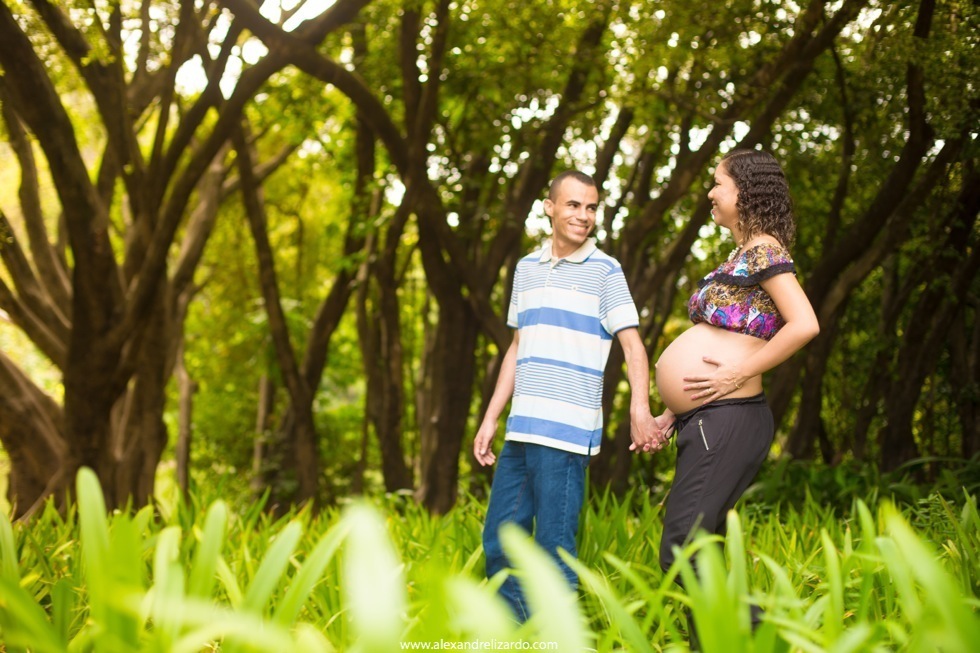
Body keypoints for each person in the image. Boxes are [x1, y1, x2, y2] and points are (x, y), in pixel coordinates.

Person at [474, 170, 660, 622]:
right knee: (500, 543)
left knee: (554, 552)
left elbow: (633, 345)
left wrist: (641, 408)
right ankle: (518, 634)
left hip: (567, 434)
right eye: (574, 205)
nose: (584, 215)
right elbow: (517, 348)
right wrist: (490, 418)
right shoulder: (525, 269)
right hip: (521, 429)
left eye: (592, 207)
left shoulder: (605, 270)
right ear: (550, 207)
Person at [649, 149, 819, 642]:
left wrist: (735, 374)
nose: (710, 193)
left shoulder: (765, 249)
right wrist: (667, 412)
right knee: (699, 549)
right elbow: (717, 336)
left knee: (682, 547)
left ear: (744, 191)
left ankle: (787, 641)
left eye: (717, 183)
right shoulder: (741, 255)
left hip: (729, 418)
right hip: (706, 419)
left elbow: (804, 323)